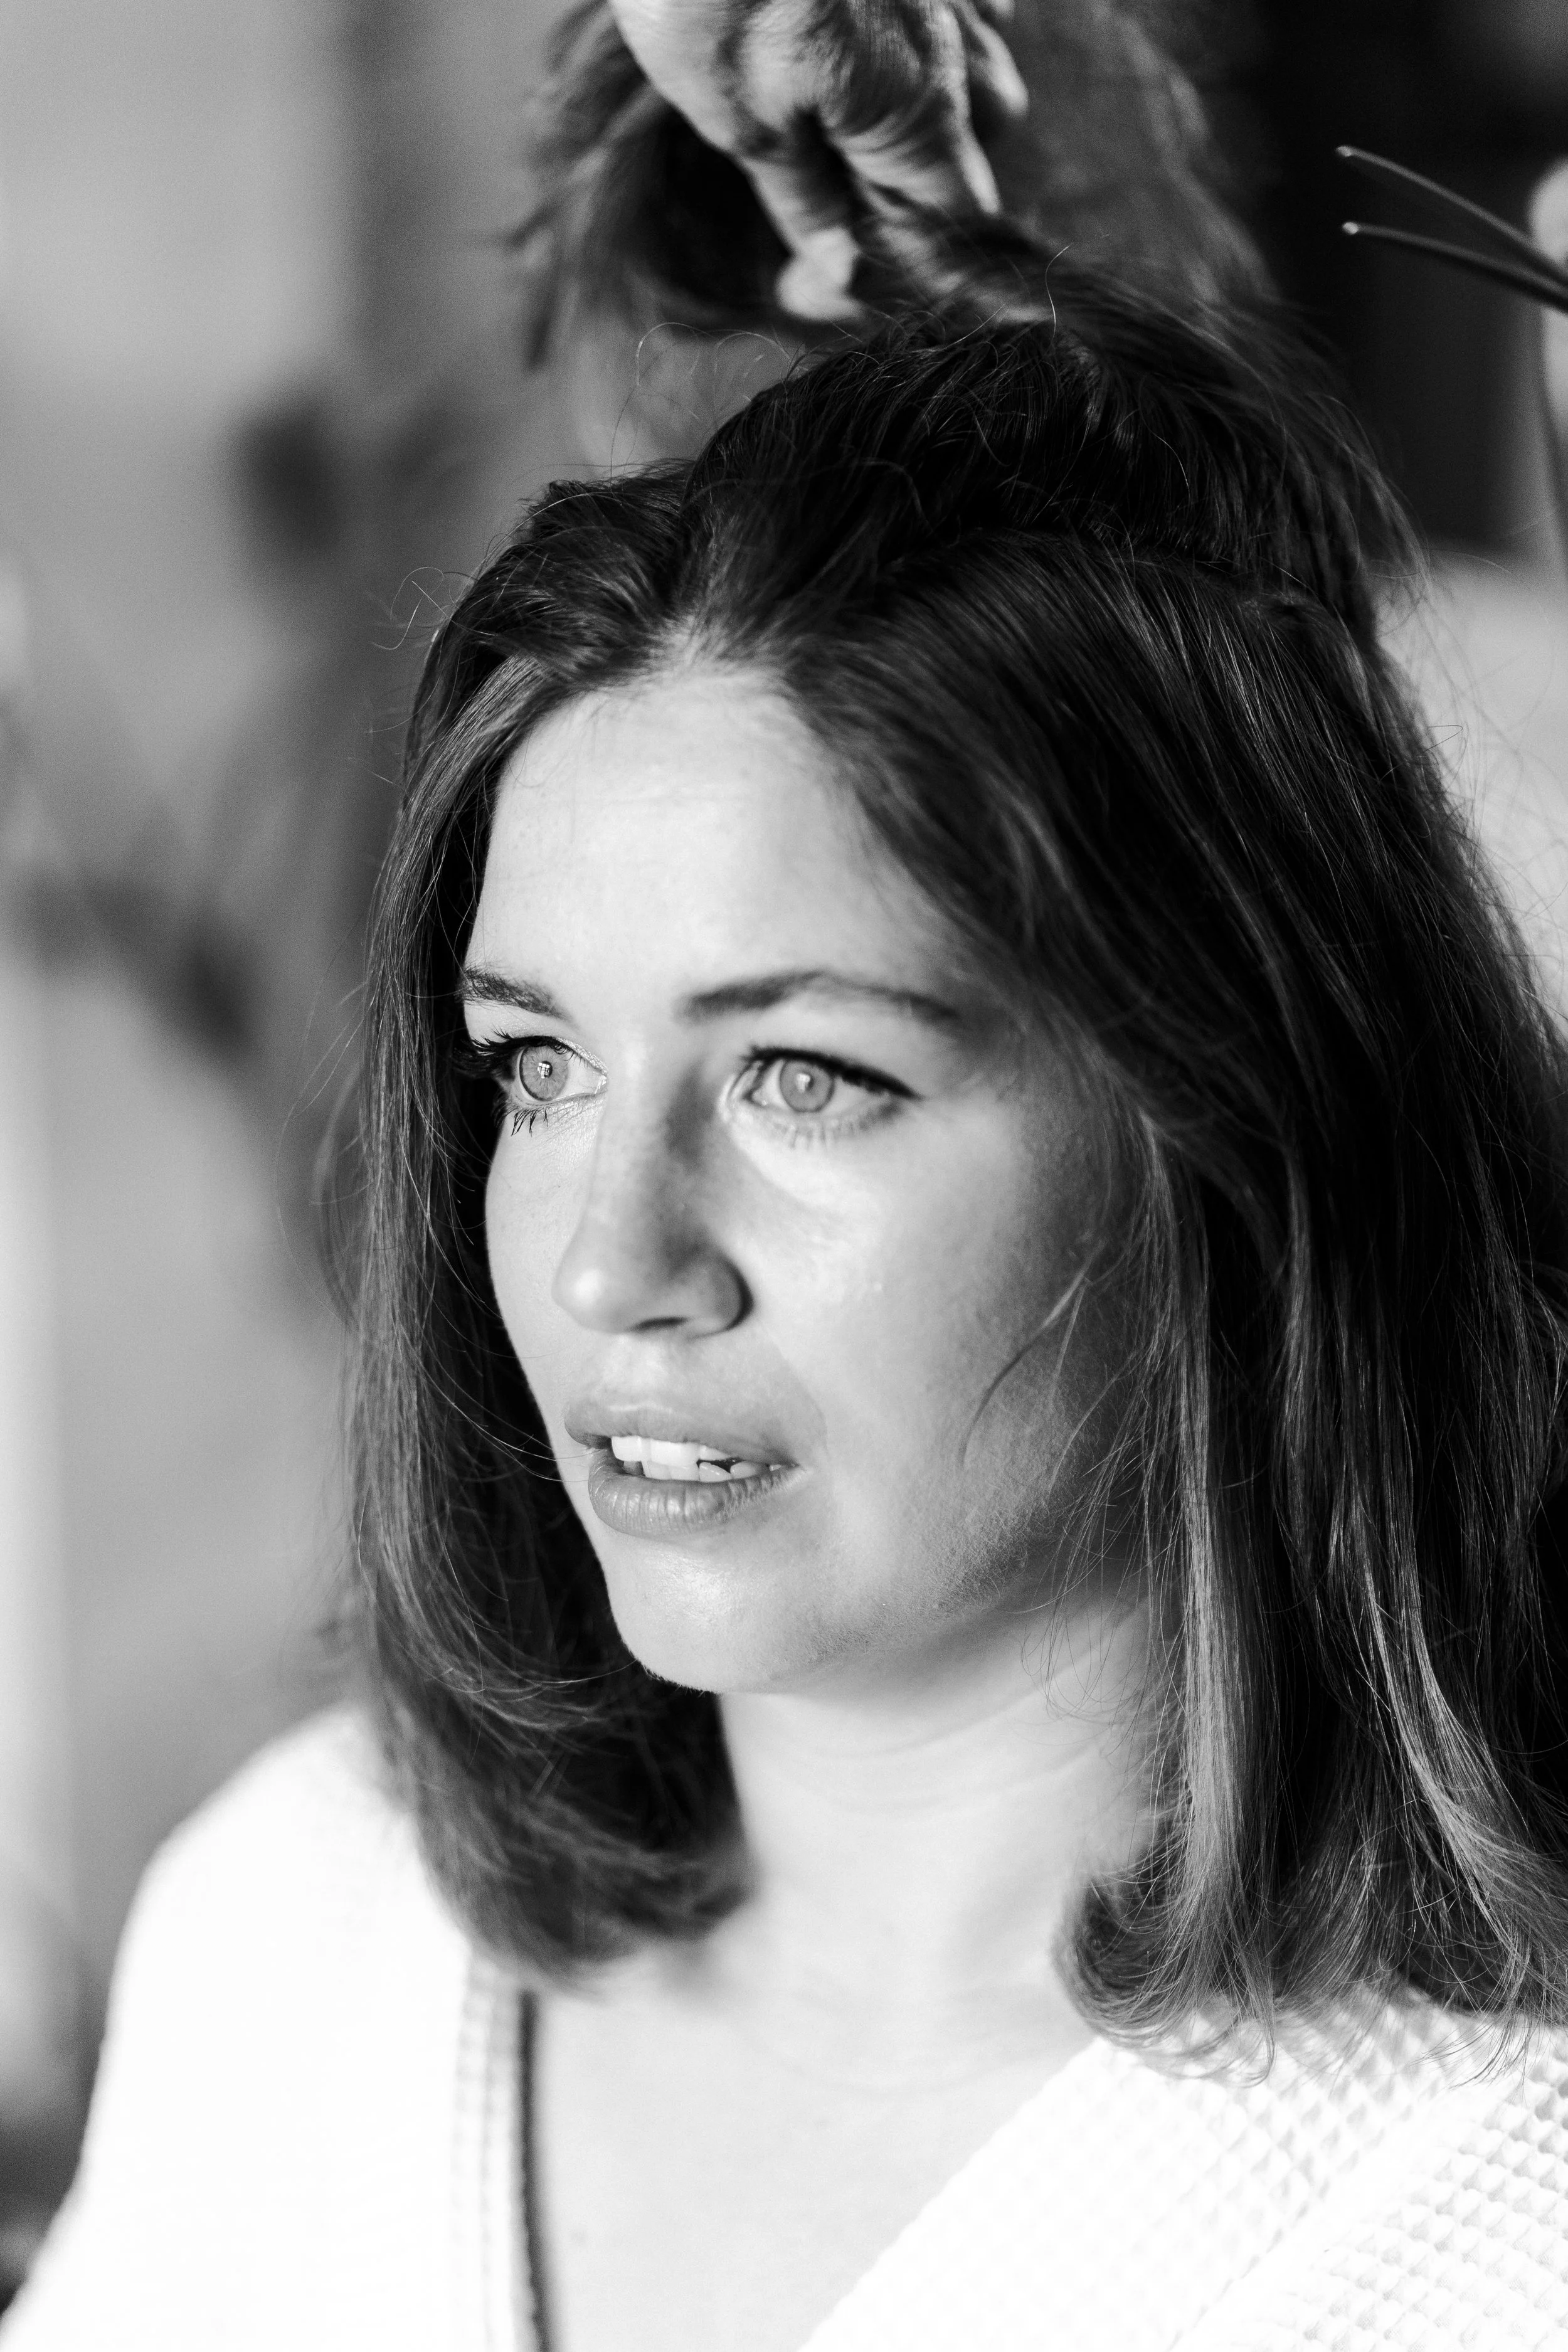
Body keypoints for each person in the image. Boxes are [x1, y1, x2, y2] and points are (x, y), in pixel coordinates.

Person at [8, 255, 1568, 2348]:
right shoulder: (300, 1931)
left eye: (803, 1076)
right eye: (536, 1067)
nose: (607, 1260)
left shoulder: (1500, 2230)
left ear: (1236, 1124)